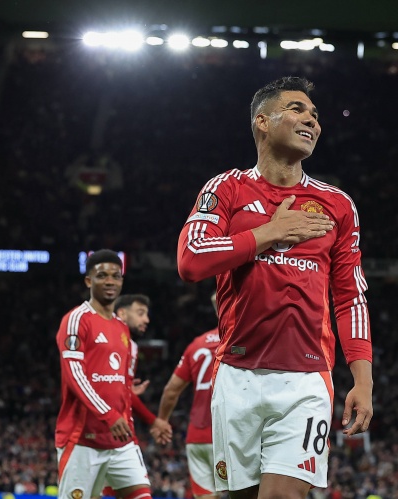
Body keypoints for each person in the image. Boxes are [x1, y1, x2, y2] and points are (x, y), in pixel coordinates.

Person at [176, 76, 373, 499]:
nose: (312, 120)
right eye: (297, 109)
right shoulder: (226, 187)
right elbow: (191, 260)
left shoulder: (338, 205)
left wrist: (363, 379)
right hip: (236, 374)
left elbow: (350, 297)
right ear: (262, 121)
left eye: (315, 115)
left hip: (306, 379)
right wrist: (269, 233)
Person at [55, 249, 152, 499]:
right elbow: (75, 375)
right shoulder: (77, 320)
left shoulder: (122, 328)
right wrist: (109, 414)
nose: (110, 281)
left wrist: (125, 392)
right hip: (82, 439)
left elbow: (118, 378)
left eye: (116, 276)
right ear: (89, 281)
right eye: (102, 276)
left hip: (120, 440)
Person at [95, 294, 172, 499]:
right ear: (122, 313)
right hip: (95, 434)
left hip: (122, 437)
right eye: (140, 313)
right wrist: (153, 420)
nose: (146, 319)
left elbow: (121, 390)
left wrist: (125, 388)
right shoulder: (106, 339)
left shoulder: (132, 346)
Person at [154, 292, 221, 499]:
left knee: (206, 495)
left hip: (197, 437)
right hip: (231, 433)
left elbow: (171, 390)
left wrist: (162, 420)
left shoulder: (197, 344)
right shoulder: (245, 339)